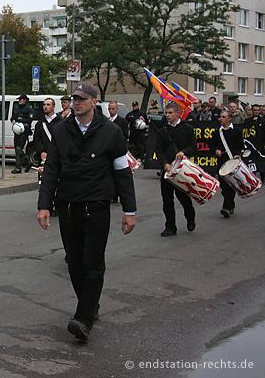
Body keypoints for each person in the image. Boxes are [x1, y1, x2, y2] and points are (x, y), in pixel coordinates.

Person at [37, 82, 136, 342]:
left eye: (82, 98)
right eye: (74, 98)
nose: (77, 102)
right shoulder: (61, 131)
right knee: (74, 261)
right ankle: (90, 303)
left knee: (93, 262)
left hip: (97, 206)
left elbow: (122, 172)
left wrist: (130, 210)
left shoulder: (111, 132)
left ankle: (83, 318)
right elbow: (51, 171)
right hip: (68, 206)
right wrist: (44, 205)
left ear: (94, 102)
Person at [155, 102, 197, 237]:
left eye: (170, 113)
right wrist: (164, 164)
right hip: (167, 170)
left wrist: (184, 152)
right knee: (167, 200)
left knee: (184, 198)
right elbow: (159, 150)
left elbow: (193, 147)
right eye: (166, 113)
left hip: (182, 169)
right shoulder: (162, 131)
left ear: (178, 113)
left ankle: (190, 218)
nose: (167, 115)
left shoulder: (187, 129)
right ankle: (170, 226)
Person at [210, 110, 244, 218]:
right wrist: (216, 151)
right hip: (222, 162)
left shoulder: (237, 131)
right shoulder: (217, 132)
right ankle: (231, 204)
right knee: (224, 185)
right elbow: (212, 146)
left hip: (233, 162)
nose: (220, 118)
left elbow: (241, 146)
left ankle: (226, 207)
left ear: (229, 118)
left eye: (223, 117)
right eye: (220, 117)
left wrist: (238, 155)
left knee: (231, 184)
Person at [33, 98, 62, 166]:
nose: (45, 107)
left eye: (48, 105)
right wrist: (41, 151)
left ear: (53, 106)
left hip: (57, 157)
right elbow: (36, 140)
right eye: (44, 105)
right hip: (44, 157)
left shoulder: (61, 122)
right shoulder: (40, 123)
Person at [10, 94, 34, 174]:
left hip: (24, 131)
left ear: (24, 100)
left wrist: (22, 120)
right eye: (19, 99)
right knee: (16, 149)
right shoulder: (17, 108)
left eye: (21, 99)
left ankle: (22, 164)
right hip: (17, 131)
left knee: (19, 148)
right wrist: (13, 120)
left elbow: (30, 119)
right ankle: (21, 165)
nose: (19, 101)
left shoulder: (29, 109)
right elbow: (13, 117)